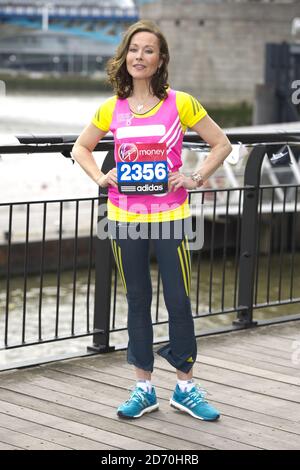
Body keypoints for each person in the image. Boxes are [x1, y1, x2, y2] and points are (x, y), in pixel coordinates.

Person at [72, 20, 232, 421]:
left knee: (178, 301)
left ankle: (185, 388)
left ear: (160, 60)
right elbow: (82, 148)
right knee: (138, 301)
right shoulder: (113, 108)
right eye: (134, 49)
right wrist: (99, 177)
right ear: (125, 56)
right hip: (124, 219)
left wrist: (194, 177)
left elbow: (221, 143)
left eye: (148, 50)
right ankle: (143, 388)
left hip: (173, 219)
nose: (139, 57)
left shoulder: (181, 103)